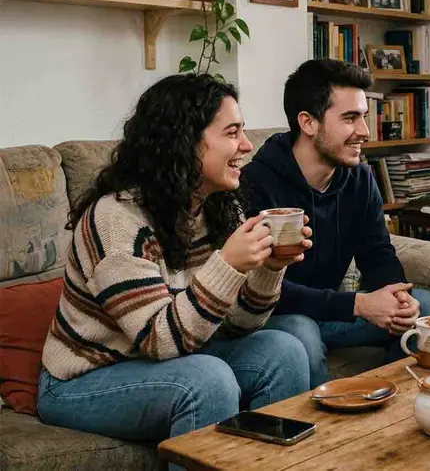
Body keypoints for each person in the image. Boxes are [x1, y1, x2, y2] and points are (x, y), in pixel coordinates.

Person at [37, 75, 311, 449]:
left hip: (171, 358)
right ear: (184, 142)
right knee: (207, 379)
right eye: (232, 132)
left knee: (284, 351)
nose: (247, 145)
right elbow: (158, 340)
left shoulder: (217, 208)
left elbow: (240, 325)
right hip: (85, 378)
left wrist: (269, 268)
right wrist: (228, 266)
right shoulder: (116, 221)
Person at [241, 59, 430, 389]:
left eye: (363, 116)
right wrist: (358, 304)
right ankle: (330, 418)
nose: (364, 131)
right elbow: (262, 291)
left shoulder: (359, 178)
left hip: (333, 314)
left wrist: (398, 297)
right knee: (301, 332)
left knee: (428, 307)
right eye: (350, 118)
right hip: (280, 319)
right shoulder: (255, 183)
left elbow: (377, 253)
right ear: (308, 122)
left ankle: (390, 405)